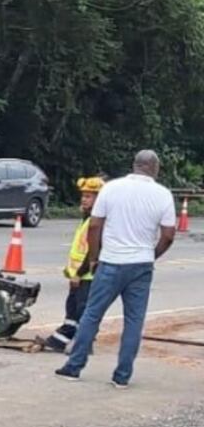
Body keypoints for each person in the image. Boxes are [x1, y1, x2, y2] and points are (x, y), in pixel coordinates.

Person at [56, 150, 176, 386]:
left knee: (92, 314)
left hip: (110, 261)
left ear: (135, 165)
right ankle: (122, 376)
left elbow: (94, 226)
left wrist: (93, 258)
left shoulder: (111, 189)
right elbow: (169, 235)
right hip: (140, 265)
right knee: (133, 320)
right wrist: (152, 255)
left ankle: (74, 366)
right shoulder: (163, 195)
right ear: (155, 168)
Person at [39, 176, 105, 353]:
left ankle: (84, 344)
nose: (84, 199)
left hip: (88, 275)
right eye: (83, 196)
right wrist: (71, 272)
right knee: (72, 309)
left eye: (89, 196)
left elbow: (93, 251)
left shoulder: (97, 222)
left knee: (84, 311)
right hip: (80, 275)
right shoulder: (87, 219)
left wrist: (79, 273)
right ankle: (61, 339)